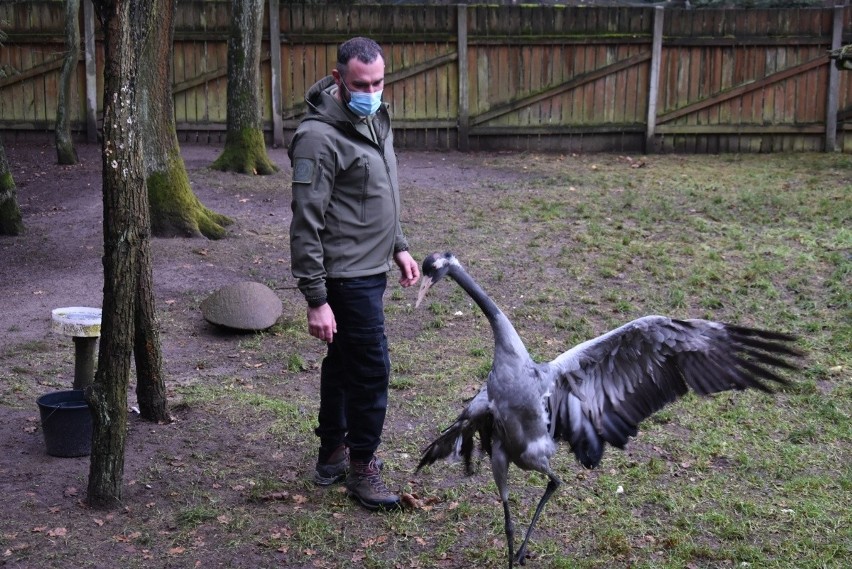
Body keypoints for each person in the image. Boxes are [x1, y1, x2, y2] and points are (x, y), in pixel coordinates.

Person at [288, 37, 420, 512]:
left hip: (373, 265)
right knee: (371, 370)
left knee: (343, 365)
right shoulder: (317, 138)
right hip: (345, 276)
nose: (372, 90)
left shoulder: (375, 117)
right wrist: (316, 297)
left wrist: (400, 246)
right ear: (338, 77)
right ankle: (362, 466)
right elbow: (306, 222)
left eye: (379, 81)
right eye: (362, 83)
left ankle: (331, 454)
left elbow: (384, 187)